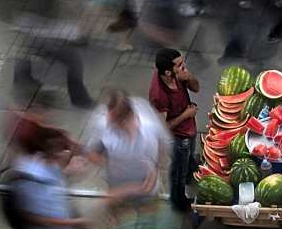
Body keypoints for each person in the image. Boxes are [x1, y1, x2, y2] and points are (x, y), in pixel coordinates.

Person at [84, 90, 171, 214]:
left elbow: (163, 146)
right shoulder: (102, 123)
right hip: (117, 188)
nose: (108, 122)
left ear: (127, 118)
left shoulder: (150, 126)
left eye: (113, 121)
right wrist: (110, 162)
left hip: (147, 188)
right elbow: (91, 152)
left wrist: (156, 169)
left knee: (149, 220)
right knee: (122, 224)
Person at [149, 49, 199, 211]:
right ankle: (178, 201)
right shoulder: (159, 95)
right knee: (178, 171)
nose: (184, 66)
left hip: (189, 129)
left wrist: (189, 77)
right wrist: (186, 115)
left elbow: (196, 88)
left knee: (190, 155)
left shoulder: (178, 75)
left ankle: (191, 171)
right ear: (168, 72)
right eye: (180, 64)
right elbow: (162, 128)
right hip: (178, 138)